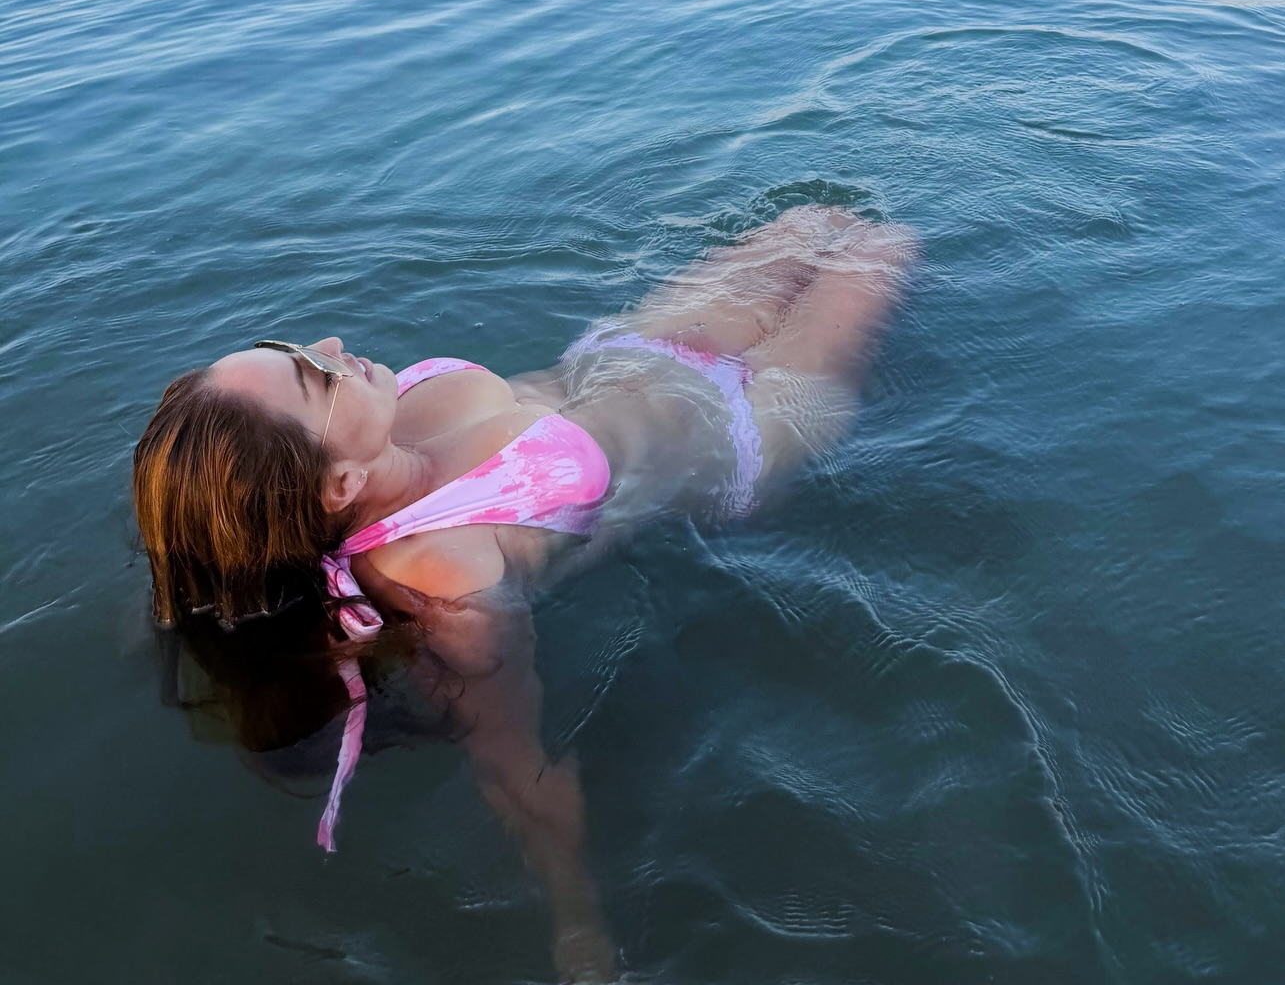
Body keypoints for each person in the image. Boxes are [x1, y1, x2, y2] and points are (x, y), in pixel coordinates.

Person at [134, 206, 915, 983]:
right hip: (742, 429)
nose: (334, 347)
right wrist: (578, 927)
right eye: (317, 375)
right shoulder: (447, 575)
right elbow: (515, 765)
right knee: (883, 249)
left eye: (298, 351)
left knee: (821, 221)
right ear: (342, 483)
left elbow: (210, 532)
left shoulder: (376, 437)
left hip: (637, 353)